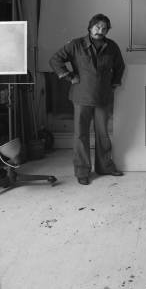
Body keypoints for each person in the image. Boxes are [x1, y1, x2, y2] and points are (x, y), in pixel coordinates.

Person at [49, 14, 125, 185]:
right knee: (81, 135)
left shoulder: (111, 46)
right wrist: (68, 76)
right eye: (97, 27)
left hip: (102, 97)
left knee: (103, 134)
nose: (101, 30)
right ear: (90, 28)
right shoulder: (76, 45)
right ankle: (82, 171)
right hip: (81, 96)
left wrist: (114, 83)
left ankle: (105, 166)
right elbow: (55, 60)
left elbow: (120, 66)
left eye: (104, 28)